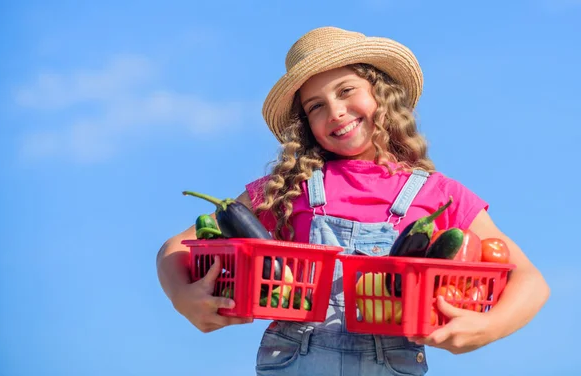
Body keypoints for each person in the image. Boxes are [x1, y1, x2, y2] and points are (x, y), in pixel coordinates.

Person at [156, 26, 550, 375]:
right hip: (295, 362)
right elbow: (174, 248)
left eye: (346, 91)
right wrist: (182, 297)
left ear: (381, 94)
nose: (336, 112)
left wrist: (489, 327)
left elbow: (530, 280)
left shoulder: (438, 193)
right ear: (305, 125)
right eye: (316, 107)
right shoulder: (288, 187)